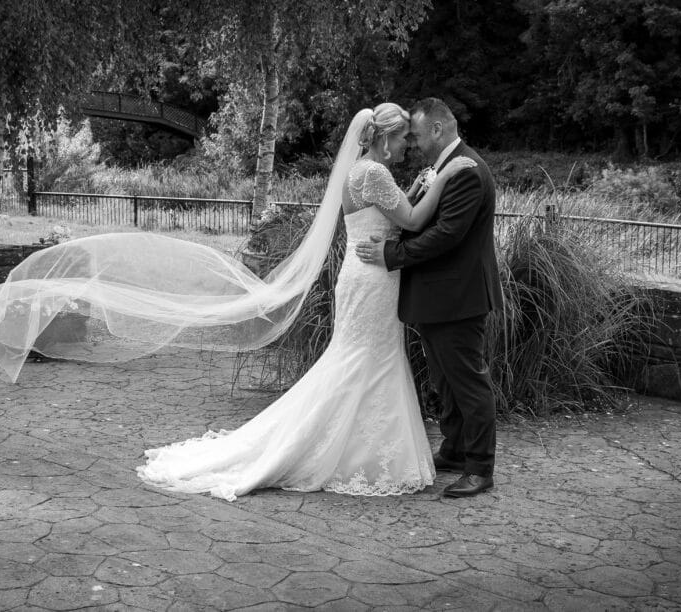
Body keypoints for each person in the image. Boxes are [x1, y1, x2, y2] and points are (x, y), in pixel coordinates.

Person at [135, 103, 475, 500]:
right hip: (373, 279)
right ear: (384, 137)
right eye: (403, 138)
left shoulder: (359, 172)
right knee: (366, 360)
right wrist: (445, 176)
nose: (407, 146)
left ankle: (356, 450)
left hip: (362, 274)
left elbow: (391, 213)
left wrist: (417, 188)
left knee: (361, 360)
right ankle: (344, 452)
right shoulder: (376, 172)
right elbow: (413, 222)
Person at [355, 97, 503, 499]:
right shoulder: (445, 169)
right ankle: (455, 450)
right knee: (446, 381)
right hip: (439, 297)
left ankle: (479, 468)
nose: (415, 144)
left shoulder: (467, 172)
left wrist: (392, 255)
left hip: (458, 298)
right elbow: (415, 219)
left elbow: (446, 235)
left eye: (417, 135)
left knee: (469, 383)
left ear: (438, 130)